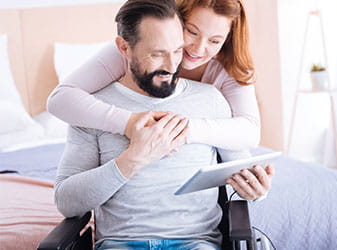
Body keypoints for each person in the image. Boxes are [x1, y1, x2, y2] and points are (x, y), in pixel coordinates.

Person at [54, 1, 274, 249]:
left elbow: (244, 149)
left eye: (177, 50)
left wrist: (255, 189)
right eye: (158, 53)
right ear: (124, 48)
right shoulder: (90, 109)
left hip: (196, 243)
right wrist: (133, 157)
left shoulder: (213, 98)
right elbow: (67, 202)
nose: (172, 66)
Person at [47, 0, 259, 151]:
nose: (198, 48)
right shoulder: (132, 51)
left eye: (214, 41)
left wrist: (177, 130)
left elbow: (250, 132)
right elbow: (61, 99)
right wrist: (129, 123)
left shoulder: (231, 67)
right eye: (192, 32)